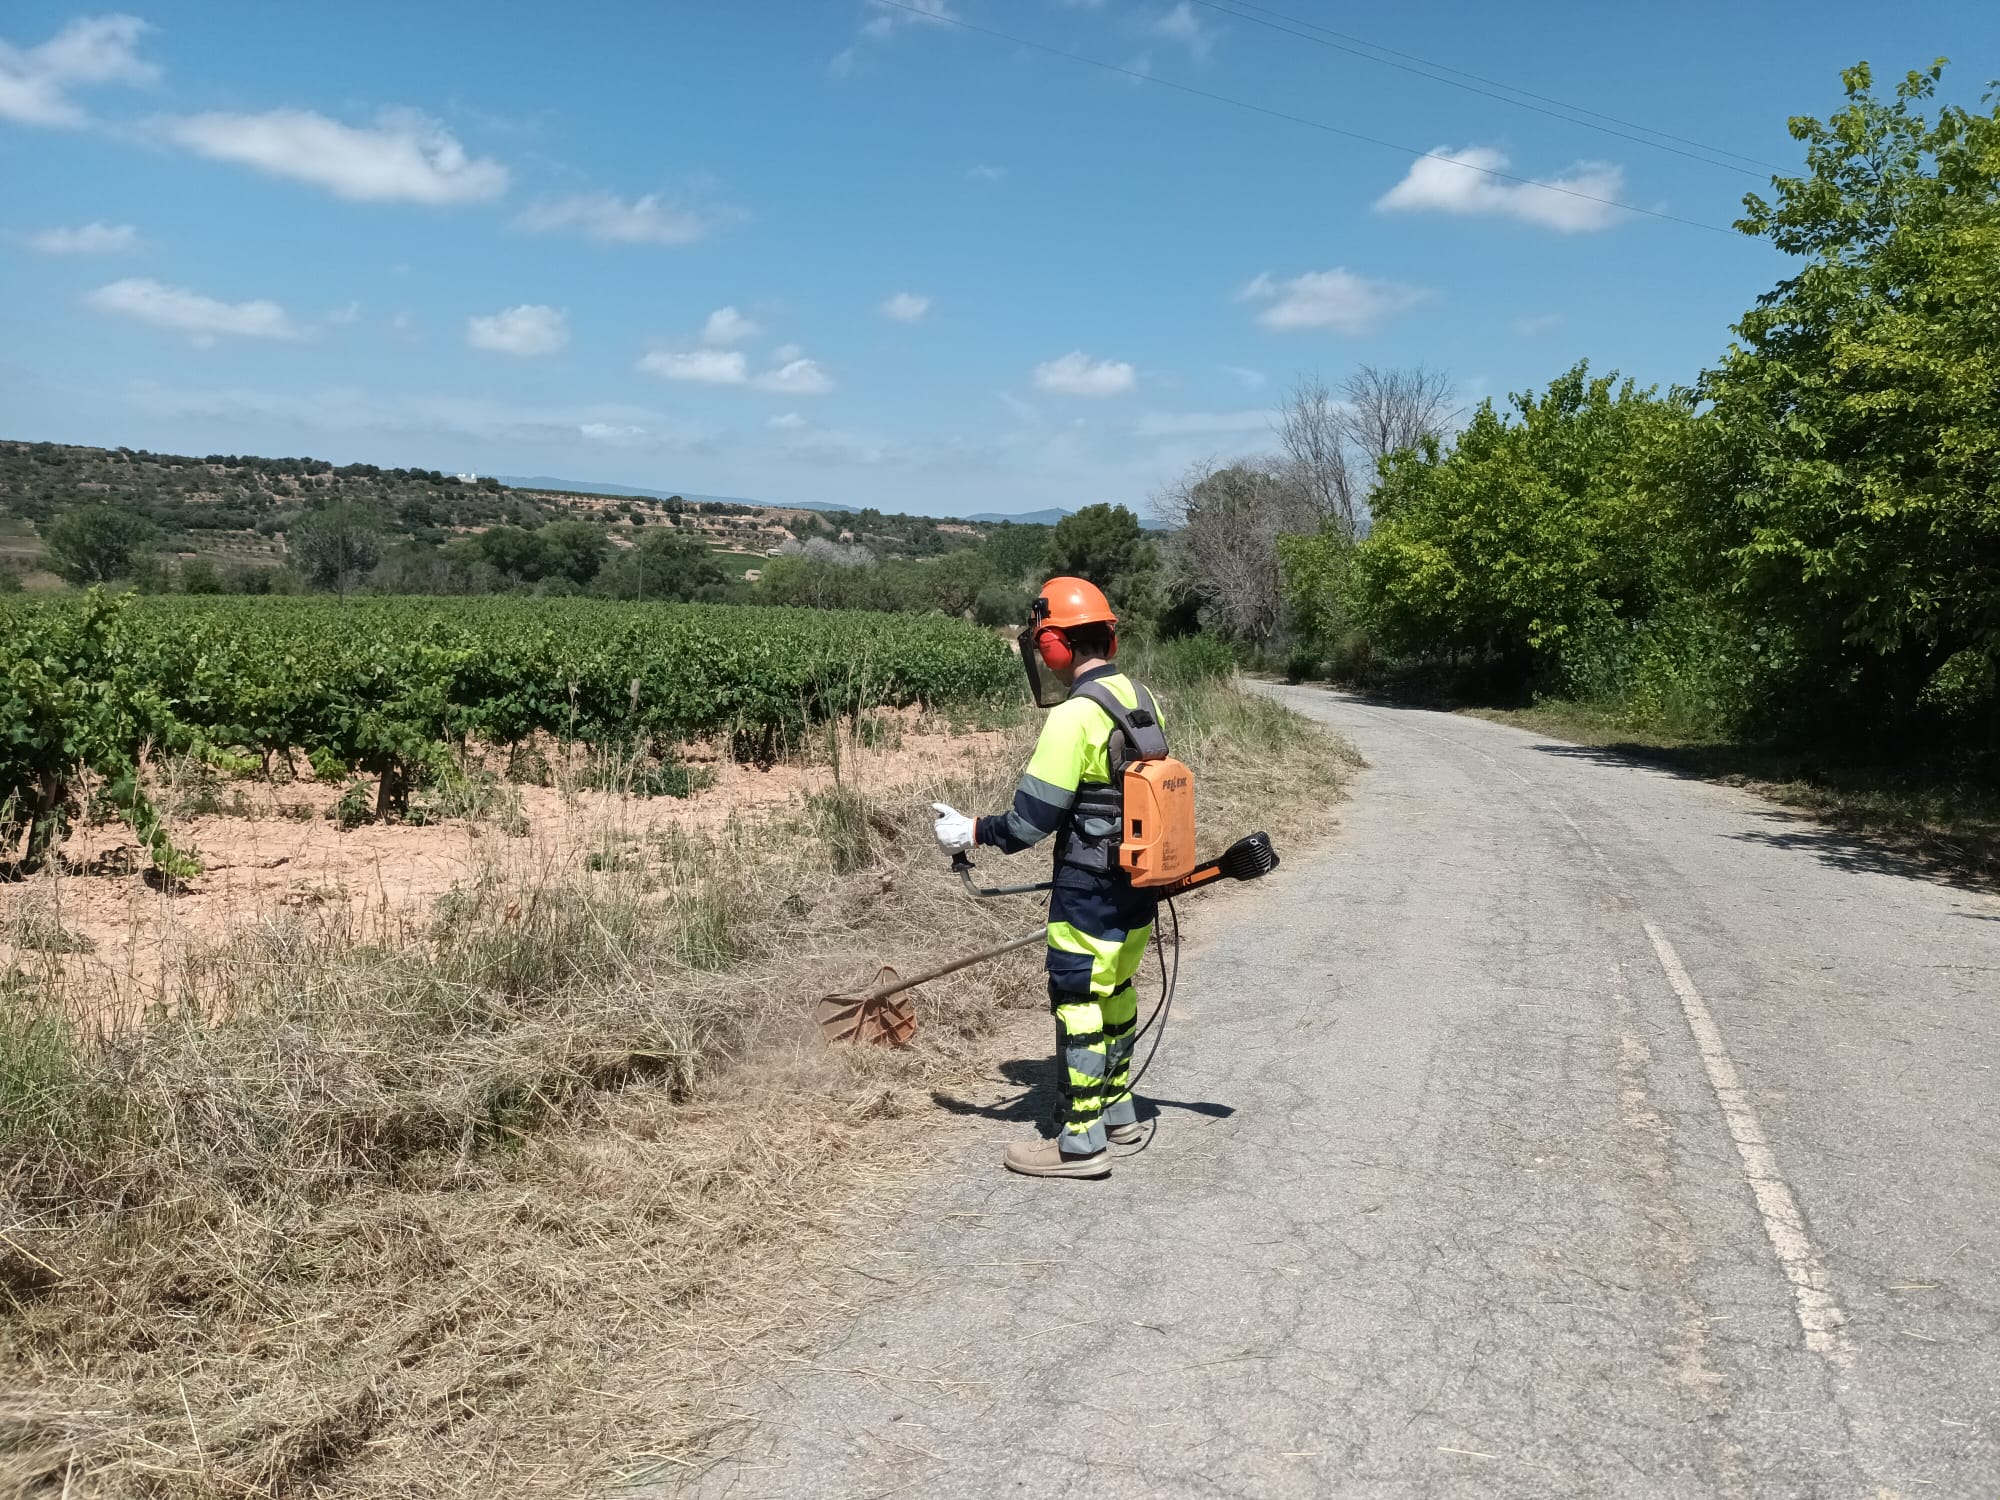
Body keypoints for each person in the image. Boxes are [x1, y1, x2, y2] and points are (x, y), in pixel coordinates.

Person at [930, 576, 1162, 1180]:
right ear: (1107, 636)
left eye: (1043, 645)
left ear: (1055, 643)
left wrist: (972, 832)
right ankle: (1119, 1111)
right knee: (1116, 990)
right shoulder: (1140, 698)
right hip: (1138, 881)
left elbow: (1031, 822)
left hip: (1088, 890)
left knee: (1079, 999)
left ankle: (1080, 1142)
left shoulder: (1074, 716)